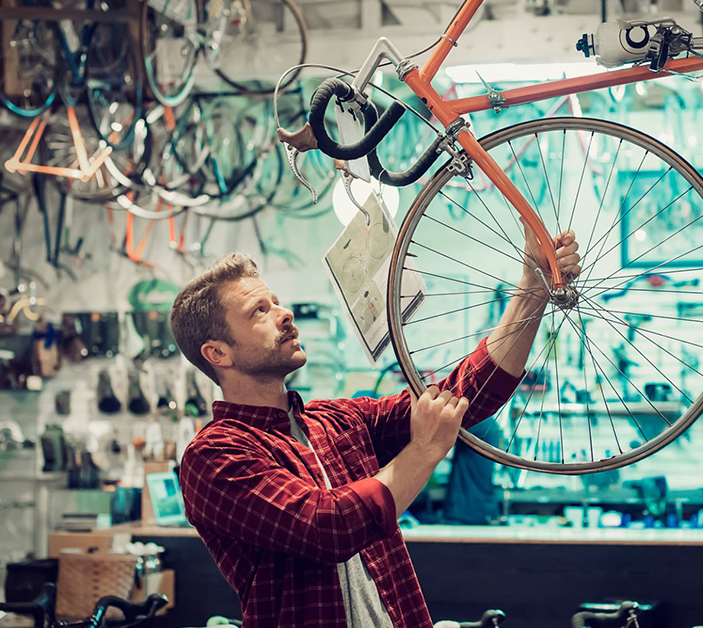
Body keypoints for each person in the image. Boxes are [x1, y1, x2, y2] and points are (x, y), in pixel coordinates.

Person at [171, 226, 581, 628]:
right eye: (259, 311)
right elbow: (326, 528)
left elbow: (466, 395)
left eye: (275, 301)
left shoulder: (336, 421)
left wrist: (533, 287)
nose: (285, 314)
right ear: (217, 353)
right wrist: (422, 453)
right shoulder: (214, 456)